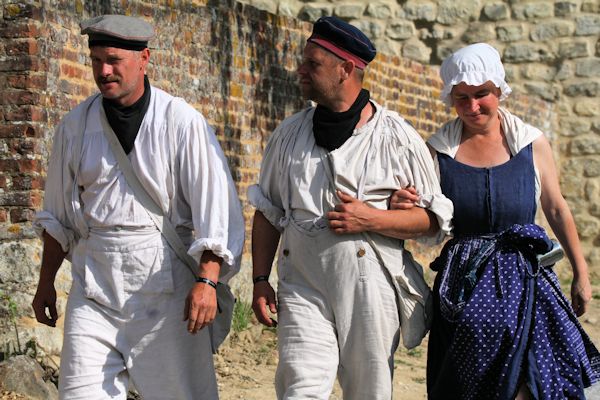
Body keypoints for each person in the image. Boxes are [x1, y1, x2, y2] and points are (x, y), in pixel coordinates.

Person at [31, 15, 244, 399]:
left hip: (166, 294)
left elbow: (217, 211)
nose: (103, 70)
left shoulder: (181, 123)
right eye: (96, 60)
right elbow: (58, 216)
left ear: (144, 59)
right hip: (94, 291)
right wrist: (46, 282)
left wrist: (208, 282)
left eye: (113, 60)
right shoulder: (74, 127)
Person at [248, 16, 453, 400]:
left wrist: (372, 218)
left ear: (345, 69)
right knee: (299, 388)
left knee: (369, 392)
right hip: (302, 282)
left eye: (313, 64)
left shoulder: (398, 138)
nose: (301, 70)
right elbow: (268, 211)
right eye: (304, 61)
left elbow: (432, 220)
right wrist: (260, 279)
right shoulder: (288, 135)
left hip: (369, 286)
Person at [391, 43, 600, 399]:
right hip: (464, 283)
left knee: (532, 380)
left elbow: (556, 207)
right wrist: (399, 203)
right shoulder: (437, 151)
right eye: (462, 98)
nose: (473, 107)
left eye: (481, 94)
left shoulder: (531, 144)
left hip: (526, 278)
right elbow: (420, 213)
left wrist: (581, 272)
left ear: (499, 90)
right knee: (469, 383)